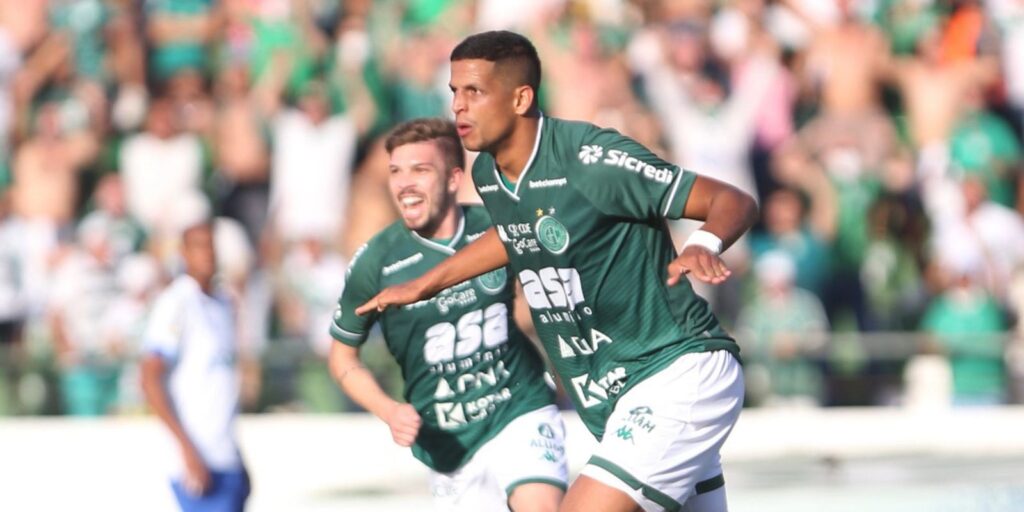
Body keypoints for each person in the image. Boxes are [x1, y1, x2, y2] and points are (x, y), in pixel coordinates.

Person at [357, 31, 759, 512]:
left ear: (521, 98)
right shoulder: (488, 173)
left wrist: (703, 244)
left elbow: (731, 200)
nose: (458, 106)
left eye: (474, 92)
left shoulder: (591, 159)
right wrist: (426, 284)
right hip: (620, 391)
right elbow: (515, 233)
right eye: (454, 91)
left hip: (676, 372)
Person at [329, 118, 568, 511]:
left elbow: (549, 289)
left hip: (519, 408)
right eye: (396, 171)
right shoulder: (376, 262)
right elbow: (342, 356)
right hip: (449, 443)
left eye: (420, 170)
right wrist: (389, 410)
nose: (405, 183)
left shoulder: (495, 227)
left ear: (455, 178)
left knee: (540, 505)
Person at [140, 219, 250, 512]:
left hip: (227, 457)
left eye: (211, 246)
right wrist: (186, 450)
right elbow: (149, 378)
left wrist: (238, 455)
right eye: (199, 246)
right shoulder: (176, 302)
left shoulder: (223, 302)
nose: (207, 254)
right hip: (197, 460)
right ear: (184, 253)